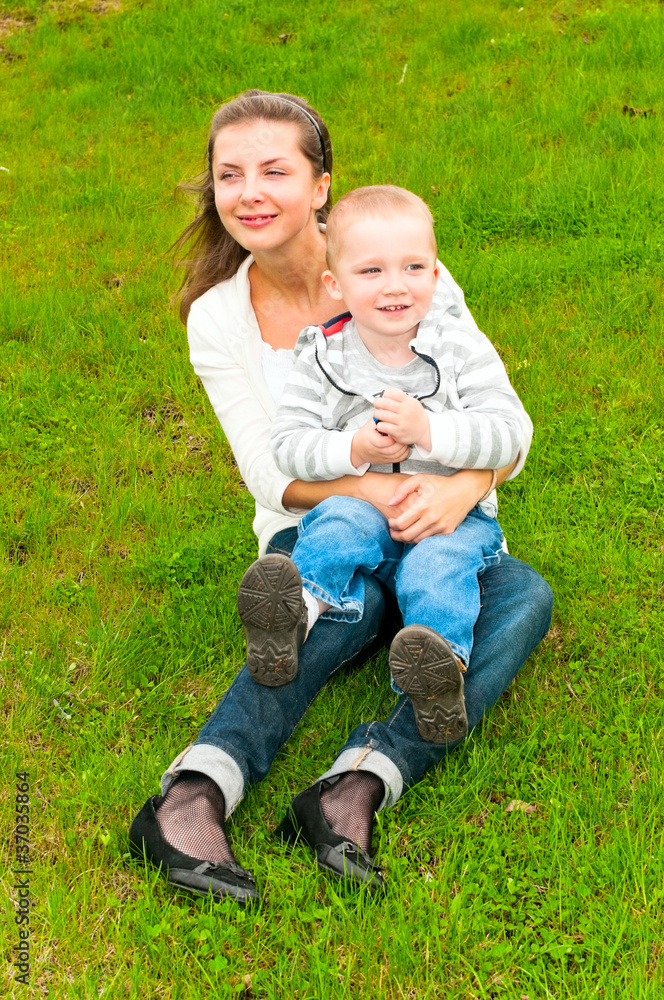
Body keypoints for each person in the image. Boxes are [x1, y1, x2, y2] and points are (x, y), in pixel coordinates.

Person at [128, 89, 553, 905]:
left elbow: (504, 424)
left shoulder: (395, 261)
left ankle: (356, 785)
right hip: (323, 530)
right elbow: (270, 473)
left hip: (434, 527)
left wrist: (464, 488)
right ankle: (194, 790)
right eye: (229, 175)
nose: (249, 191)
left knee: (523, 595)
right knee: (333, 600)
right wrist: (374, 488)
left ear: (320, 185)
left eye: (274, 170)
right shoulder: (219, 318)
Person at [238, 184, 531, 748]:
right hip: (365, 508)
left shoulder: (462, 348)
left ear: (437, 274)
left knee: (435, 569)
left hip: (449, 519)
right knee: (340, 523)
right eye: (371, 271)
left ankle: (437, 672)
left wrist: (431, 432)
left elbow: (509, 432)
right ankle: (291, 615)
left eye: (414, 266)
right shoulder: (321, 356)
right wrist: (354, 450)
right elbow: (288, 446)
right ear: (336, 284)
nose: (395, 285)